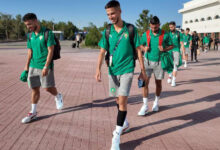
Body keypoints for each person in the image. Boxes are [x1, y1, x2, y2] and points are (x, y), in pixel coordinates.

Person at [95, 1, 147, 150]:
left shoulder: (130, 29)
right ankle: (124, 124)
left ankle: (116, 137)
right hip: (112, 70)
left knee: (123, 100)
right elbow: (102, 51)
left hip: (127, 69)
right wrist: (98, 69)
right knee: (117, 99)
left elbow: (138, 50)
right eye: (108, 14)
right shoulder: (107, 31)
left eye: (113, 13)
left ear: (120, 11)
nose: (110, 16)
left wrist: (142, 71)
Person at [21, 13, 63, 124]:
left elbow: (51, 50)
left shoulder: (47, 33)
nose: (28, 27)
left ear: (36, 21)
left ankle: (58, 96)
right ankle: (33, 112)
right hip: (33, 66)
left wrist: (46, 66)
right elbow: (30, 52)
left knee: (48, 88)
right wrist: (26, 68)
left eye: (29, 24)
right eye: (26, 25)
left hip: (45, 65)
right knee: (34, 88)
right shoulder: (30, 36)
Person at [137, 16, 173, 116]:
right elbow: (139, 45)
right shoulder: (146, 34)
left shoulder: (165, 34)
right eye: (152, 27)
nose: (154, 29)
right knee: (144, 83)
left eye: (156, 28)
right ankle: (145, 105)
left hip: (159, 63)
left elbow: (172, 45)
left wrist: (164, 49)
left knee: (158, 84)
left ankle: (156, 103)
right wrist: (144, 48)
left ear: (159, 25)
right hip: (147, 62)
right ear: (150, 25)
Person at [167, 21, 184, 87]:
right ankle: (170, 75)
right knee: (169, 65)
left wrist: (183, 53)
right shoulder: (168, 34)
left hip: (176, 51)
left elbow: (182, 43)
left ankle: (173, 81)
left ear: (174, 26)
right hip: (169, 51)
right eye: (170, 27)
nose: (170, 28)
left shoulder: (179, 34)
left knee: (175, 66)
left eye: (171, 27)